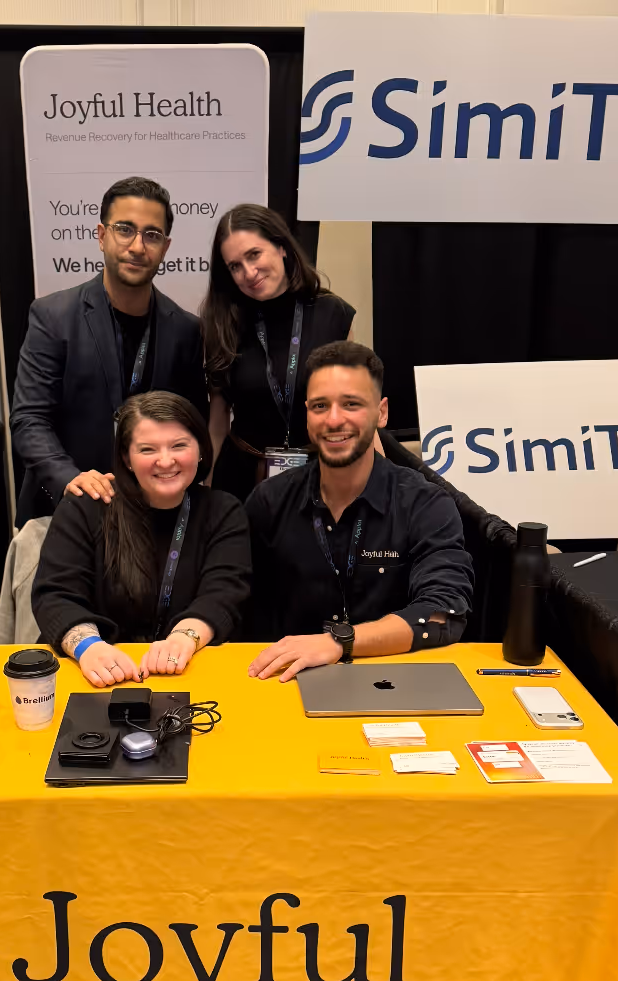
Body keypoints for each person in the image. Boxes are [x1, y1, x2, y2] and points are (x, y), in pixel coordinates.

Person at [245, 341, 473, 682]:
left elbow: (443, 613)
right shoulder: (269, 501)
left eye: (351, 404)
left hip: (396, 681)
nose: (334, 419)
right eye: (320, 405)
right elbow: (234, 597)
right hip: (284, 682)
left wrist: (340, 642)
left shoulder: (425, 504)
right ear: (307, 412)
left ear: (381, 413)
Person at [10, 176, 208, 524]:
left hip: (151, 516)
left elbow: (192, 425)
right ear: (102, 236)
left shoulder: (186, 330)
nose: (137, 246)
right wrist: (69, 478)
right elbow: (29, 420)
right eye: (125, 229)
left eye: (152, 235)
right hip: (65, 511)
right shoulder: (52, 317)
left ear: (165, 246)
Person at [33, 391, 251, 688]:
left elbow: (224, 593)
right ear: (127, 457)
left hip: (190, 671)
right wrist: (88, 648)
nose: (165, 461)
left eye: (179, 446)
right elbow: (55, 594)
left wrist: (184, 638)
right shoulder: (87, 505)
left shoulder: (224, 511)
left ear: (200, 449)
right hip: (93, 675)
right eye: (148, 449)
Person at [201, 204, 356, 501]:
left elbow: (355, 407)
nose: (249, 272)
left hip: (319, 476)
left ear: (282, 247)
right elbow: (217, 419)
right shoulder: (222, 322)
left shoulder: (332, 314)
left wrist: (380, 480)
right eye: (235, 266)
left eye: (254, 254)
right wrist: (204, 493)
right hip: (241, 480)